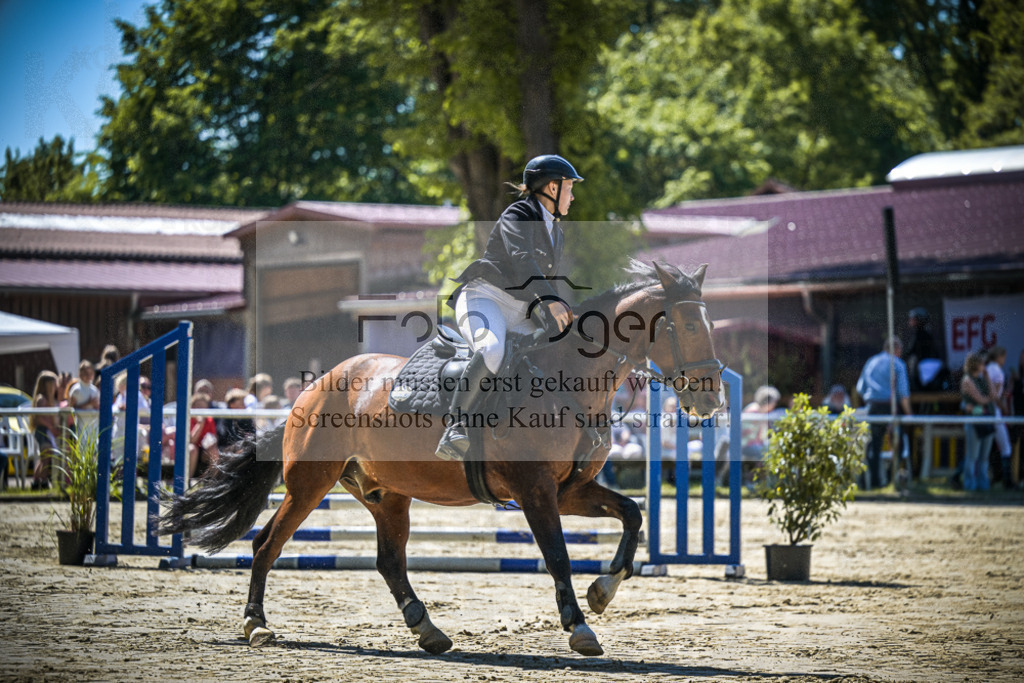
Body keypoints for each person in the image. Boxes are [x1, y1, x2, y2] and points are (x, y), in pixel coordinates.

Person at [435, 154, 583, 461]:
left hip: (520, 310)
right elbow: (522, 260)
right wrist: (551, 301)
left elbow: (547, 280)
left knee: (549, 355)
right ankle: (456, 426)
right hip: (484, 297)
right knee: (491, 349)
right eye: (569, 187)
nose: (573, 194)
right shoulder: (518, 213)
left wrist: (565, 313)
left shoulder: (556, 230)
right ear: (552, 189)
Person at [856, 337, 913, 490]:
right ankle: (888, 478)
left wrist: (872, 398)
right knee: (898, 444)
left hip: (873, 407)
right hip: (891, 407)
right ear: (897, 349)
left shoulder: (871, 362)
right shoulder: (898, 364)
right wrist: (909, 414)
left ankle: (874, 482)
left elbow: (860, 388)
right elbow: (903, 393)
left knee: (874, 445)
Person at [961, 352, 997, 492]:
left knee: (984, 458)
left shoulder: (982, 379)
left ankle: (983, 486)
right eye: (982, 363)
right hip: (974, 423)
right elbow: (981, 400)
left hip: (986, 420)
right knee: (972, 457)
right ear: (975, 364)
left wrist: (987, 378)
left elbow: (993, 395)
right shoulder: (967, 380)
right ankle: (970, 485)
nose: (984, 366)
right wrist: (985, 403)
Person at [984, 346, 1013, 489]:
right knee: (1006, 447)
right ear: (1000, 356)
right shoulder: (997, 371)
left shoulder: (988, 368)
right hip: (994, 413)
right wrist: (1003, 407)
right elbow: (994, 396)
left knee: (983, 449)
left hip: (985, 412)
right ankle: (1007, 481)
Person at [29, 371, 60, 489]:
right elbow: (39, 418)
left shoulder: (50, 400)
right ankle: (42, 480)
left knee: (44, 458)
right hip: (43, 431)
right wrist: (51, 427)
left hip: (47, 431)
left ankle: (38, 480)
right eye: (53, 384)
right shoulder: (41, 400)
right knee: (46, 457)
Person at [187, 393, 220, 481]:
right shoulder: (188, 419)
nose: (201, 410)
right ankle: (187, 482)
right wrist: (200, 424)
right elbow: (191, 441)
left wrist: (211, 443)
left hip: (203, 451)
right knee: (192, 449)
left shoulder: (209, 420)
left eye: (203, 407)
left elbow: (214, 438)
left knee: (214, 451)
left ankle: (212, 482)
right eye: (198, 406)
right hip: (191, 450)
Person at [67, 360, 101, 436]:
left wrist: (96, 405)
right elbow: (71, 408)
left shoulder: (95, 390)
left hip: (93, 425)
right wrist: (88, 403)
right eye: (86, 373)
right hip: (81, 425)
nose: (88, 376)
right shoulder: (76, 390)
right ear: (80, 374)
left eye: (90, 373)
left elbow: (98, 407)